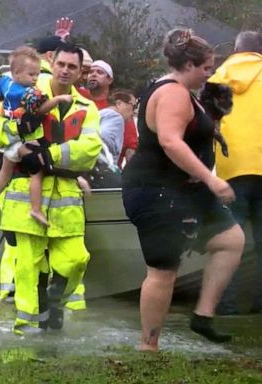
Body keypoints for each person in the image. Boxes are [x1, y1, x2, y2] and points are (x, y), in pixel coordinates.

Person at [122, 28, 244, 351]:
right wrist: (211, 178)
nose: (211, 73)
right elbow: (170, 141)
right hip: (155, 192)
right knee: (163, 272)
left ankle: (202, 316)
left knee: (232, 239)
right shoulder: (173, 93)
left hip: (184, 192)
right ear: (188, 65)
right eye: (206, 67)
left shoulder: (186, 93)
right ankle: (149, 346)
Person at [0, 43, 102, 335]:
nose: (65, 70)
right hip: (24, 193)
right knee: (29, 268)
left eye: (72, 67)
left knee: (76, 259)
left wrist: (49, 156)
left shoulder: (87, 108)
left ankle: (55, 303)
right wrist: (19, 140)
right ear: (54, 62)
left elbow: (90, 149)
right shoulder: (27, 91)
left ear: (79, 72)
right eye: (61, 64)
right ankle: (29, 333)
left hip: (66, 194)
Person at [0, 46, 73, 226]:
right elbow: (41, 108)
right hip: (24, 141)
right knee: (37, 171)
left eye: (37, 75)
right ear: (16, 73)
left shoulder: (5, 83)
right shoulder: (25, 92)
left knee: (4, 172)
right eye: (31, 75)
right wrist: (57, 100)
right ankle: (36, 209)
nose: (35, 79)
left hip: (9, 143)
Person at [210, 31, 262, 315]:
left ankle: (226, 304)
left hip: (231, 170)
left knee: (231, 240)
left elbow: (206, 123)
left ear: (235, 49)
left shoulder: (218, 76)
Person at [84, 60, 138, 169]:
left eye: (99, 72)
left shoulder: (120, 109)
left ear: (109, 79)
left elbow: (130, 147)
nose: (93, 74)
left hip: (107, 171)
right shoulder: (77, 98)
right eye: (90, 72)